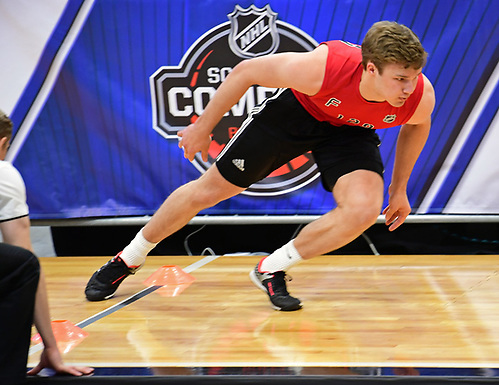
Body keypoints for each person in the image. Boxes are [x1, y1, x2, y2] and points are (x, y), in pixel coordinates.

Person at [85, 21, 435, 311]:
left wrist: (399, 188)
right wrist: (201, 127)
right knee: (210, 191)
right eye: (400, 79)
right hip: (295, 115)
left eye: (414, 77)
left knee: (362, 210)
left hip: (349, 131)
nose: (408, 88)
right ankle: (128, 258)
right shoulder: (322, 68)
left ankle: (271, 268)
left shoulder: (420, 95)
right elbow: (246, 71)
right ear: (370, 68)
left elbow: (417, 126)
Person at [0, 111, 94, 384]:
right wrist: (51, 347)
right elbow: (26, 257)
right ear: (2, 143)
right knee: (22, 265)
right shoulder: (3, 172)